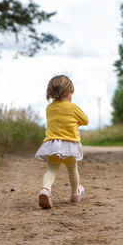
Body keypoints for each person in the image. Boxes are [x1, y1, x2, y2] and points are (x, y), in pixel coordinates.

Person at [35, 75, 89, 209]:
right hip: (69, 145)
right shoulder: (72, 107)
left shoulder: (49, 108)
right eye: (71, 93)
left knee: (52, 169)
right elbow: (85, 120)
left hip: (52, 145)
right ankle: (75, 194)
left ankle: (46, 190)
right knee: (72, 170)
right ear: (67, 92)